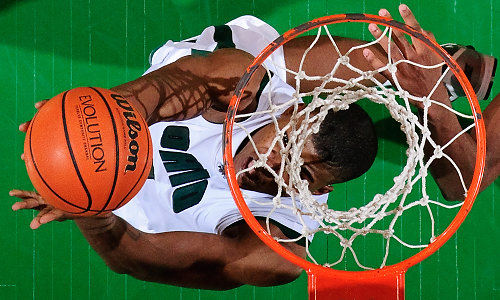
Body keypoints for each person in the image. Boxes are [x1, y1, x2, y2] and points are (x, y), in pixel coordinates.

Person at [9, 4, 499, 290]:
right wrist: (104, 120)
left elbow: (137, 258)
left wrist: (90, 209)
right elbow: (186, 80)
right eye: (286, 144)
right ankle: (429, 66)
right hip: (241, 77)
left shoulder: (284, 237)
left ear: (318, 188)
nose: (275, 169)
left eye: (304, 177)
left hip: (105, 202)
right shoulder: (239, 86)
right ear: (291, 114)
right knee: (279, 61)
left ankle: (435, 97)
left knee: (460, 169)